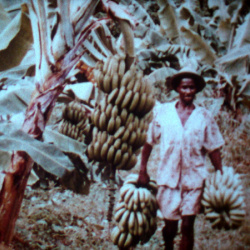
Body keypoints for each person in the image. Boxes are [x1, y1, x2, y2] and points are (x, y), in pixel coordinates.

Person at [138, 67, 224, 250]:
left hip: (194, 179)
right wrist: (142, 170)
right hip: (168, 179)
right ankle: (168, 245)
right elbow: (148, 143)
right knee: (170, 227)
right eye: (184, 87)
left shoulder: (204, 117)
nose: (188, 91)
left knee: (187, 226)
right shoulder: (163, 113)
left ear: (196, 90)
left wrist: (221, 173)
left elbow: (213, 149)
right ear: (177, 89)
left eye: (191, 88)